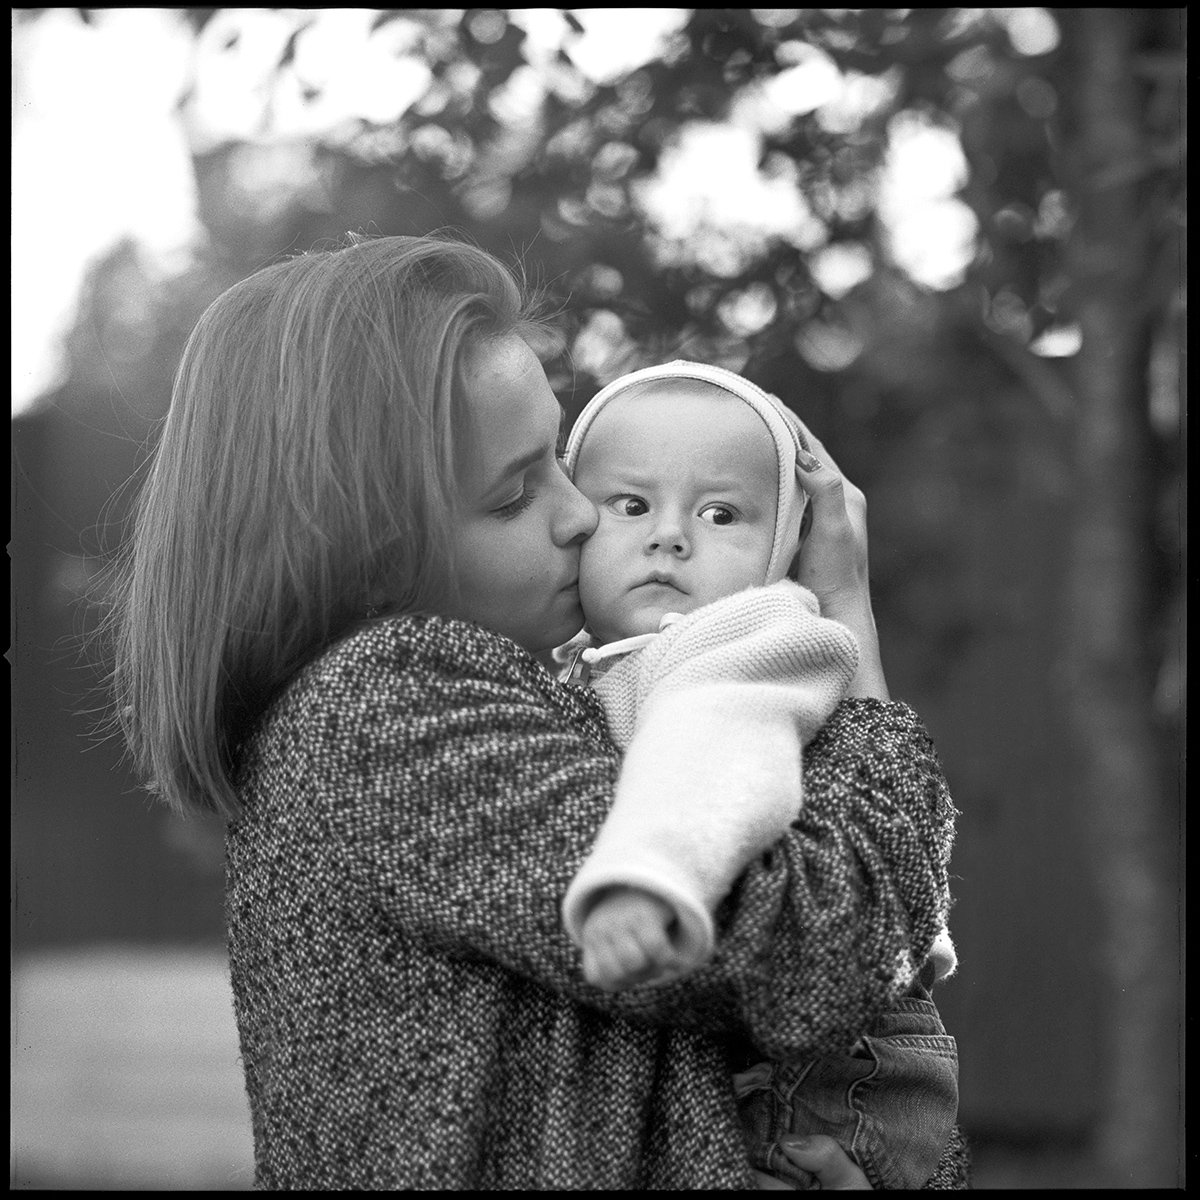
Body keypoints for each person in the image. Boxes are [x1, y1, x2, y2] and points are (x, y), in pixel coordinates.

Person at [105, 233, 971, 1189]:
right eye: (516, 493)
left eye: (560, 460)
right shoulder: (385, 709)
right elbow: (820, 954)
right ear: (364, 548)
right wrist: (848, 633)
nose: (582, 514)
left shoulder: (499, 703)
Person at [554, 360, 960, 1189]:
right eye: (629, 505)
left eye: (721, 514)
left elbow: (717, 747)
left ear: (782, 548)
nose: (671, 537)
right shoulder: (594, 665)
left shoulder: (756, 634)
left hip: (831, 1074)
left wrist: (649, 877)